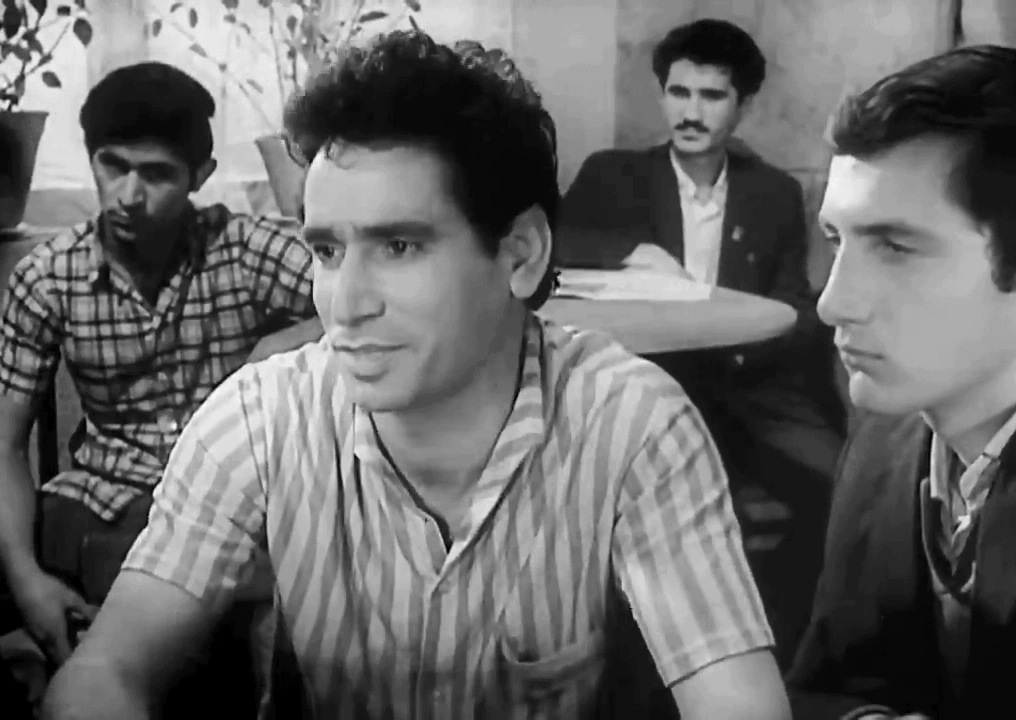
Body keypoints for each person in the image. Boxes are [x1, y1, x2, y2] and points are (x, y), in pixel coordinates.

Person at [41, 31, 791, 720]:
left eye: (398, 247)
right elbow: (107, 670)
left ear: (521, 255)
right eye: (327, 251)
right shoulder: (260, 419)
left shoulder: (632, 424)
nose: (345, 304)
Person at [0, 61, 320, 697]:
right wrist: (25, 579)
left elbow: (363, 300)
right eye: (112, 165)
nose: (127, 194)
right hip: (99, 502)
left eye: (156, 174)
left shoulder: (241, 248)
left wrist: (279, 344)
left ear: (199, 176)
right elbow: (5, 445)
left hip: (226, 503)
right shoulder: (48, 277)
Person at [556, 17, 846, 665]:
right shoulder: (615, 174)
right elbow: (554, 241)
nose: (691, 112)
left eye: (712, 96)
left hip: (752, 388)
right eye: (679, 93)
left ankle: (802, 653)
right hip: (649, 389)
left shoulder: (772, 193)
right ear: (662, 95)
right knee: (639, 508)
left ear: (743, 106)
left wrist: (750, 332)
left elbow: (794, 305)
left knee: (840, 485)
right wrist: (633, 251)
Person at [788, 44, 1016, 720]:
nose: (833, 303)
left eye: (895, 246)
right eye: (836, 241)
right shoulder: (884, 437)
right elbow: (826, 686)